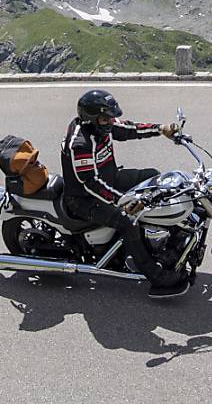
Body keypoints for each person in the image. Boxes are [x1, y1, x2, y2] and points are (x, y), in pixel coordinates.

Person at [61, 89, 189, 299]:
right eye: (105, 118)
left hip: (110, 179)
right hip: (83, 200)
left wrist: (161, 129)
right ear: (91, 119)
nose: (111, 122)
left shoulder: (104, 126)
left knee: (154, 178)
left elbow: (128, 129)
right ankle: (157, 276)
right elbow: (91, 183)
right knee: (128, 221)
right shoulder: (80, 143)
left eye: (111, 117)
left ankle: (163, 237)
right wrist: (122, 202)